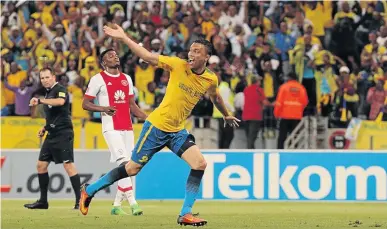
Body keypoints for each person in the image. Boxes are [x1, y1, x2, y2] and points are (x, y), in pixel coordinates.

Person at [79, 24, 240, 227]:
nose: (191, 54)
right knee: (131, 169)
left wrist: (226, 114)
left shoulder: (210, 78)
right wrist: (124, 38)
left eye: (197, 51)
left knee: (199, 164)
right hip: (156, 127)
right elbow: (147, 56)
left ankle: (185, 214)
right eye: (190, 50)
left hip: (177, 131)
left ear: (206, 57)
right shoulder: (177, 64)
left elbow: (215, 96)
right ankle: (89, 190)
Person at [82, 49, 147, 216]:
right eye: (110, 56)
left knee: (131, 167)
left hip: (128, 128)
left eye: (116, 54)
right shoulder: (98, 79)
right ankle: (133, 203)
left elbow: (132, 106)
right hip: (110, 128)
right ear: (104, 63)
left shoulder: (127, 78)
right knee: (125, 164)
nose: (115, 56)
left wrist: (149, 118)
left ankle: (117, 205)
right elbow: (86, 103)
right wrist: (103, 109)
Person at [24, 67, 81, 209]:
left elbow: (61, 102)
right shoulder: (48, 93)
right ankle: (43, 201)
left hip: (63, 133)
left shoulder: (60, 89)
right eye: (42, 78)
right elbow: (55, 115)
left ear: (53, 77)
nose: (44, 80)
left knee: (68, 165)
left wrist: (40, 101)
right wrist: (45, 128)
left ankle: (80, 201)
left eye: (47, 77)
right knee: (41, 165)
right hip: (52, 133)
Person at [274, 72, 308, 149]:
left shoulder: (284, 87)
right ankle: (294, 150)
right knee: (295, 136)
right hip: (297, 116)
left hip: (285, 115)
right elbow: (305, 102)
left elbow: (279, 103)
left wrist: (276, 114)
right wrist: (299, 110)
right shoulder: (301, 88)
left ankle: (280, 151)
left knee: (282, 136)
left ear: (289, 78)